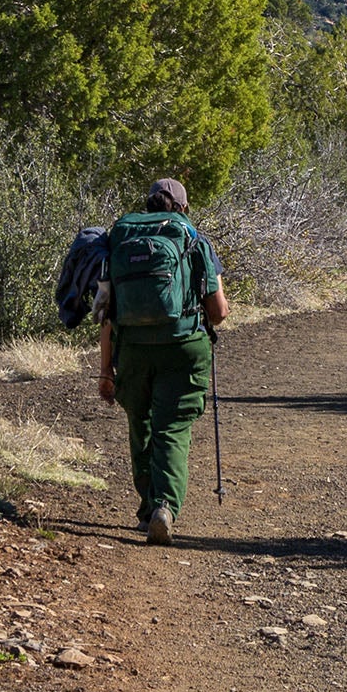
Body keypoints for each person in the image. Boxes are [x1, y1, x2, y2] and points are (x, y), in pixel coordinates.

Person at [96, 177, 228, 546]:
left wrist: (106, 371)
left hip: (132, 347)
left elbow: (106, 314)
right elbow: (218, 313)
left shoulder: (120, 239)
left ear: (148, 207)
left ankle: (145, 509)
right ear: (183, 208)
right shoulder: (194, 239)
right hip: (183, 346)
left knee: (141, 424)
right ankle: (164, 507)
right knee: (172, 428)